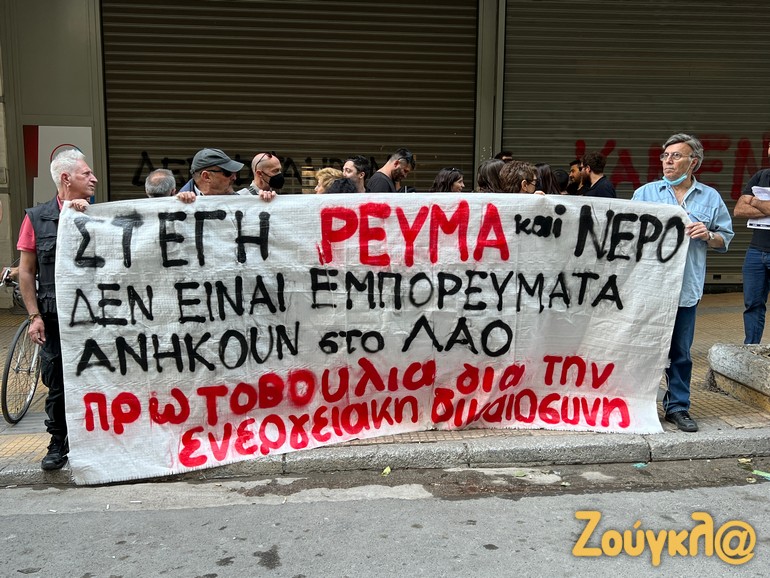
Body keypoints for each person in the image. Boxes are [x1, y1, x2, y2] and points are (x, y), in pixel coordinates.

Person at [633, 133, 734, 432]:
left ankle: (677, 407)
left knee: (680, 353)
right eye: (665, 156)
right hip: (649, 289)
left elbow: (724, 238)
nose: (668, 161)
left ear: (694, 162)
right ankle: (638, 407)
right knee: (642, 350)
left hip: (685, 289)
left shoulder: (710, 198)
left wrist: (709, 235)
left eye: (676, 156)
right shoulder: (645, 194)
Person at [17, 149, 94, 470]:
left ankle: (97, 440)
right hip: (54, 318)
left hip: (95, 318)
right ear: (66, 178)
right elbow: (26, 271)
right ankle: (58, 442)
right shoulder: (36, 218)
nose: (94, 179)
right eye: (86, 173)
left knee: (98, 378)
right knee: (58, 383)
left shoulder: (98, 214)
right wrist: (34, 316)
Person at [733, 141, 770, 344]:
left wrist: (754, 201)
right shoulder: (761, 176)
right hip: (756, 251)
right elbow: (739, 210)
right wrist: (763, 205)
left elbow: (748, 204)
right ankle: (751, 349)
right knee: (752, 304)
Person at [179, 148, 244, 195]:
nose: (234, 178)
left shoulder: (237, 202)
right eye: (228, 173)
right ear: (206, 176)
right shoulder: (180, 205)